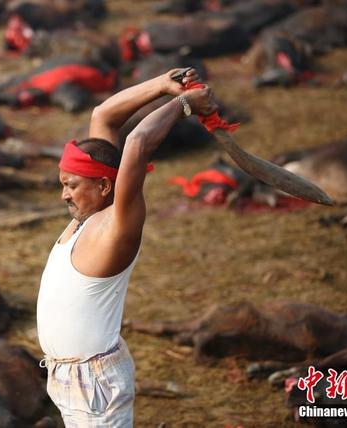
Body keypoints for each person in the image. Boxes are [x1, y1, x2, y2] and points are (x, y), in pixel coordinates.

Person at [36, 68, 217, 426]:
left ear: (104, 187)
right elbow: (103, 116)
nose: (64, 195)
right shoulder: (88, 217)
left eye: (71, 184)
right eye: (63, 184)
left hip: (95, 385)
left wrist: (183, 105)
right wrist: (162, 84)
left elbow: (136, 143)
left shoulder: (118, 226)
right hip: (68, 379)